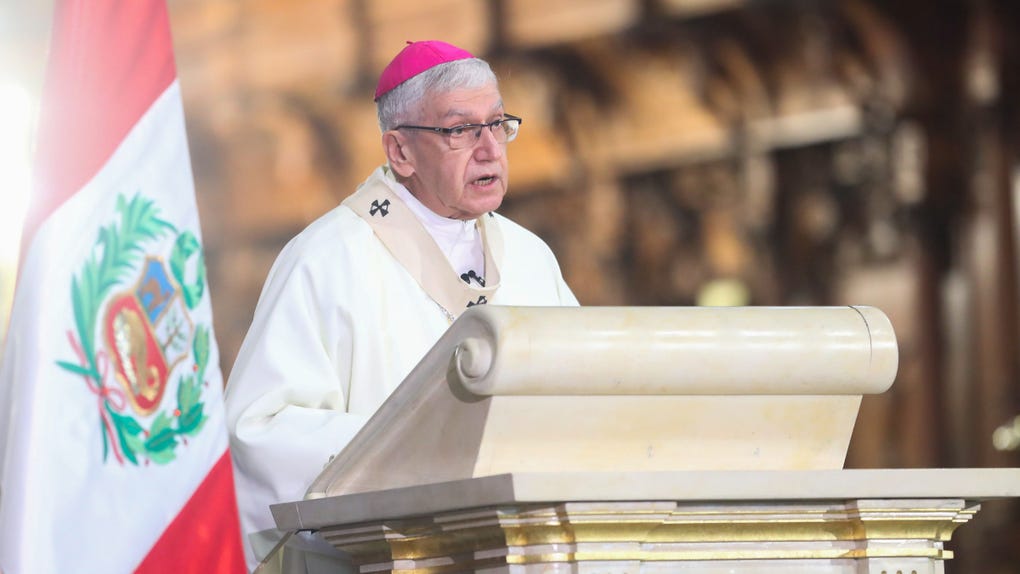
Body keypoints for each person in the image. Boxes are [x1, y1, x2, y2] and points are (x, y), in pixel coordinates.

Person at [224, 40, 578, 571]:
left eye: (497, 124)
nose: (490, 149)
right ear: (400, 152)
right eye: (460, 130)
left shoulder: (530, 257)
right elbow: (259, 430)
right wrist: (420, 449)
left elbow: (579, 393)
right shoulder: (327, 259)